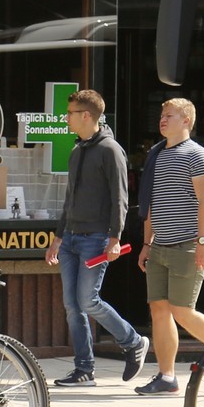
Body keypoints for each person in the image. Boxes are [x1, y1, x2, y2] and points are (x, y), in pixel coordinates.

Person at [45, 89, 149, 386]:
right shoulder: (77, 150)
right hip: (71, 239)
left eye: (71, 113)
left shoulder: (110, 150)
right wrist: (58, 237)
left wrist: (115, 237)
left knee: (88, 301)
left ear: (87, 115)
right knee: (72, 306)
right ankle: (84, 369)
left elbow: (121, 198)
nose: (66, 118)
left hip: (95, 238)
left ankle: (132, 341)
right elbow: (69, 198)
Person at [135, 97, 204, 394]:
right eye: (162, 115)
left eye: (169, 115)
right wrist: (147, 243)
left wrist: (203, 241)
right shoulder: (157, 155)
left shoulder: (198, 155)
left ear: (186, 121)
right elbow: (151, 204)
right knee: (159, 310)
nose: (163, 119)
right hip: (159, 246)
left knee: (182, 310)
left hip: (187, 245)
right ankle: (166, 376)